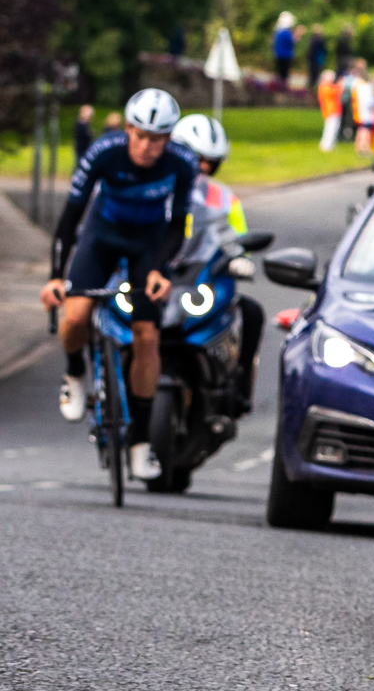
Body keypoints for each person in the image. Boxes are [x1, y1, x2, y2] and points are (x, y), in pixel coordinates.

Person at [41, 89, 198, 484]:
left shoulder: (182, 164)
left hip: (147, 243)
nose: (147, 147)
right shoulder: (103, 152)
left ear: (169, 138)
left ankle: (141, 442)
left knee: (147, 335)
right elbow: (70, 216)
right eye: (140, 136)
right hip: (101, 236)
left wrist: (162, 270)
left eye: (157, 139)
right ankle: (76, 373)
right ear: (128, 128)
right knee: (76, 315)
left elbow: (178, 224)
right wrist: (56, 276)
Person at [171, 113, 265, 402]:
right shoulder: (159, 186)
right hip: (162, 276)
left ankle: (238, 388)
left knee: (251, 313)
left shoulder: (225, 198)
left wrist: (239, 258)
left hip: (202, 277)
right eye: (196, 159)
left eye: (209, 163)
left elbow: (238, 238)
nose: (202, 168)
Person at [316, 70, 343, 151]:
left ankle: (328, 145)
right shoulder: (325, 86)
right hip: (331, 110)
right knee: (330, 129)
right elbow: (334, 93)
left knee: (332, 128)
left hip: (333, 110)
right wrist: (340, 85)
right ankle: (327, 146)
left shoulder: (328, 86)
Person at [270, 11, 297, 88]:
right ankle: (282, 86)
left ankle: (279, 85)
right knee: (284, 72)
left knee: (280, 71)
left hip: (278, 54)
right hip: (285, 55)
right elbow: (291, 41)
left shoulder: (278, 31)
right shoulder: (285, 32)